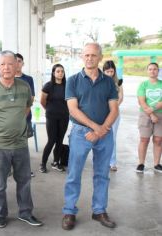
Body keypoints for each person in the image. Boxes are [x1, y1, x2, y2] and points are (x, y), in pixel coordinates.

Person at [0, 50, 43, 228]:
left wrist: (16, 123)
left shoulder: (24, 87)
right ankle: (0, 215)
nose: (6, 67)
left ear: (16, 65)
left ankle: (25, 213)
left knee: (24, 181)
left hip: (20, 144)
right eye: (2, 64)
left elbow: (27, 107)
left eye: (10, 64)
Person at [62, 43, 119, 230]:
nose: (89, 58)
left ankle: (99, 211)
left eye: (93, 55)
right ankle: (69, 211)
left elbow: (114, 109)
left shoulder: (109, 82)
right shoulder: (72, 80)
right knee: (74, 173)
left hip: (105, 134)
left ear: (100, 57)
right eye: (86, 55)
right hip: (81, 133)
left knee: (102, 174)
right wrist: (96, 128)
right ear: (81, 57)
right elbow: (73, 109)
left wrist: (103, 129)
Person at [40, 64, 69, 173]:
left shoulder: (67, 86)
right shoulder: (48, 86)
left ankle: (56, 162)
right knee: (51, 140)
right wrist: (49, 110)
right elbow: (43, 101)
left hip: (64, 117)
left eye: (62, 71)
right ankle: (43, 163)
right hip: (51, 117)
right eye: (58, 71)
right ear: (53, 73)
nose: (60, 73)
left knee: (60, 140)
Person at [136, 62, 162, 173]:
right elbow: (141, 101)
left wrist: (153, 110)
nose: (152, 71)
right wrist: (151, 114)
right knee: (144, 139)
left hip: (160, 115)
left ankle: (156, 164)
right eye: (150, 69)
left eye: (155, 69)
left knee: (158, 140)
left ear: (158, 71)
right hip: (145, 115)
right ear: (147, 71)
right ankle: (141, 163)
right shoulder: (143, 85)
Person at [15, 53, 35, 177]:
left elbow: (31, 98)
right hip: (9, 120)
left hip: (25, 118)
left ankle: (25, 170)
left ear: (23, 63)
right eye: (15, 61)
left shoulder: (28, 79)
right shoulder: (7, 78)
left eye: (19, 61)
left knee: (23, 145)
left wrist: (21, 115)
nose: (17, 63)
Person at [103, 60, 124, 171]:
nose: (110, 74)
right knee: (101, 138)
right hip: (102, 114)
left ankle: (112, 162)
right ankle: (102, 161)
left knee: (112, 138)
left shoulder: (118, 82)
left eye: (112, 71)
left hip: (115, 115)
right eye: (108, 71)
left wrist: (113, 108)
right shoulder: (100, 82)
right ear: (104, 71)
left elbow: (120, 98)